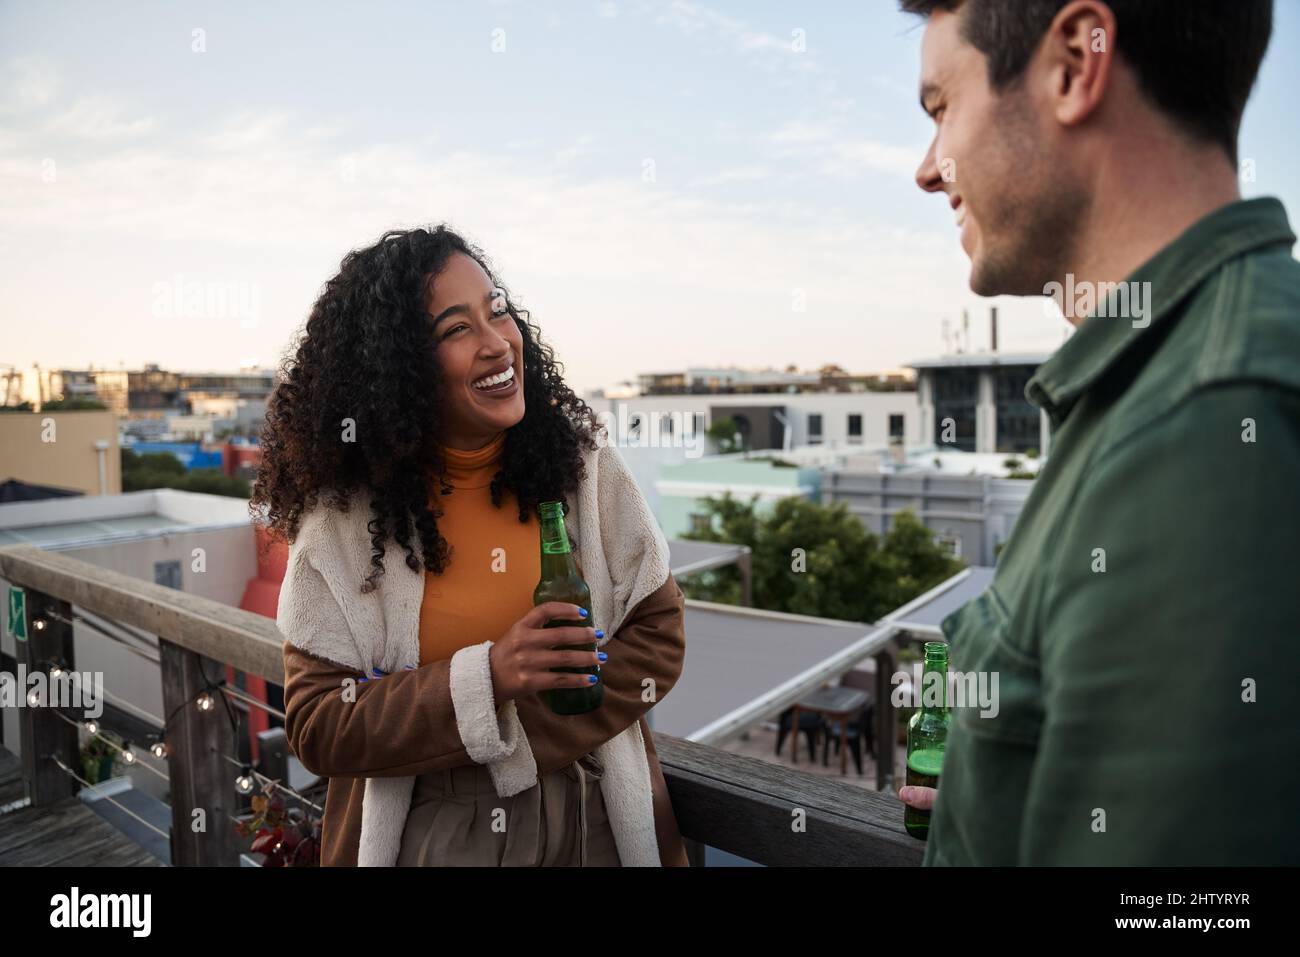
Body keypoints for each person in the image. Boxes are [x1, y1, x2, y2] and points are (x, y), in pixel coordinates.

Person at [897, 0, 1299, 863]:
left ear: (1078, 64)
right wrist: (981, 788)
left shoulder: (1206, 424)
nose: (928, 170)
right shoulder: (1164, 385)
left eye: (941, 109)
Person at [254, 226, 689, 866]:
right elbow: (322, 722)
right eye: (455, 330)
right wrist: (489, 677)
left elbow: (657, 635)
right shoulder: (343, 521)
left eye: (497, 311)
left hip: (594, 812)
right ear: (396, 371)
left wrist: (520, 741)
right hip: (431, 829)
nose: (496, 344)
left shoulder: (582, 467)